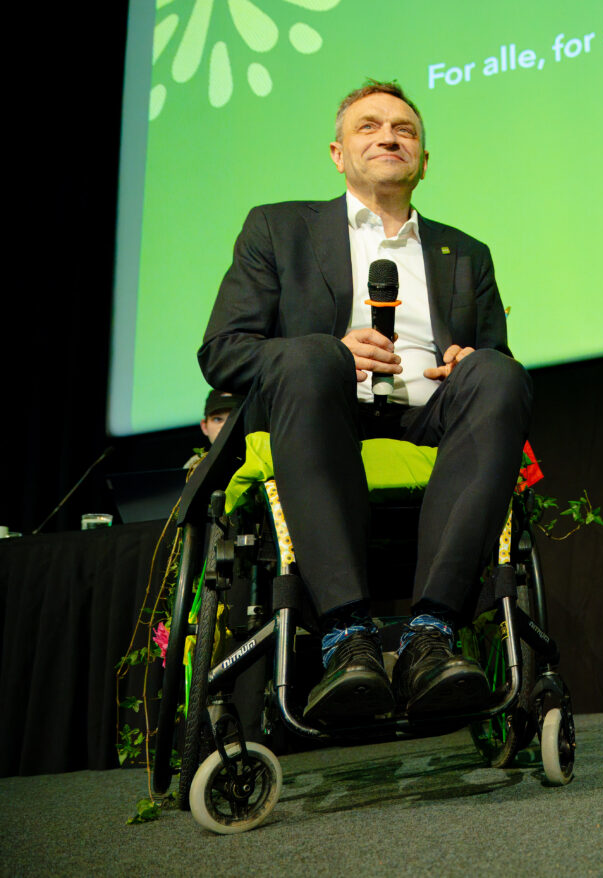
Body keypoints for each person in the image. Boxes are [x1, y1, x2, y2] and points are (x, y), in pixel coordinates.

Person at [200, 79, 532, 722]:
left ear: (424, 161)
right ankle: (345, 635)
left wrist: (470, 360)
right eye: (369, 126)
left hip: (429, 411)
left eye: (405, 130)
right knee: (308, 355)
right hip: (321, 409)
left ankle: (430, 635)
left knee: (496, 374)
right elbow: (223, 350)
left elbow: (495, 357)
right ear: (337, 152)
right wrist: (330, 350)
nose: (388, 137)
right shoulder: (279, 228)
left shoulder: (465, 252)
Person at [183, 390, 242, 472]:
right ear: (204, 427)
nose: (225, 426)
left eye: (234, 419)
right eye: (217, 419)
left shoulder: (262, 460)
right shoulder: (195, 465)